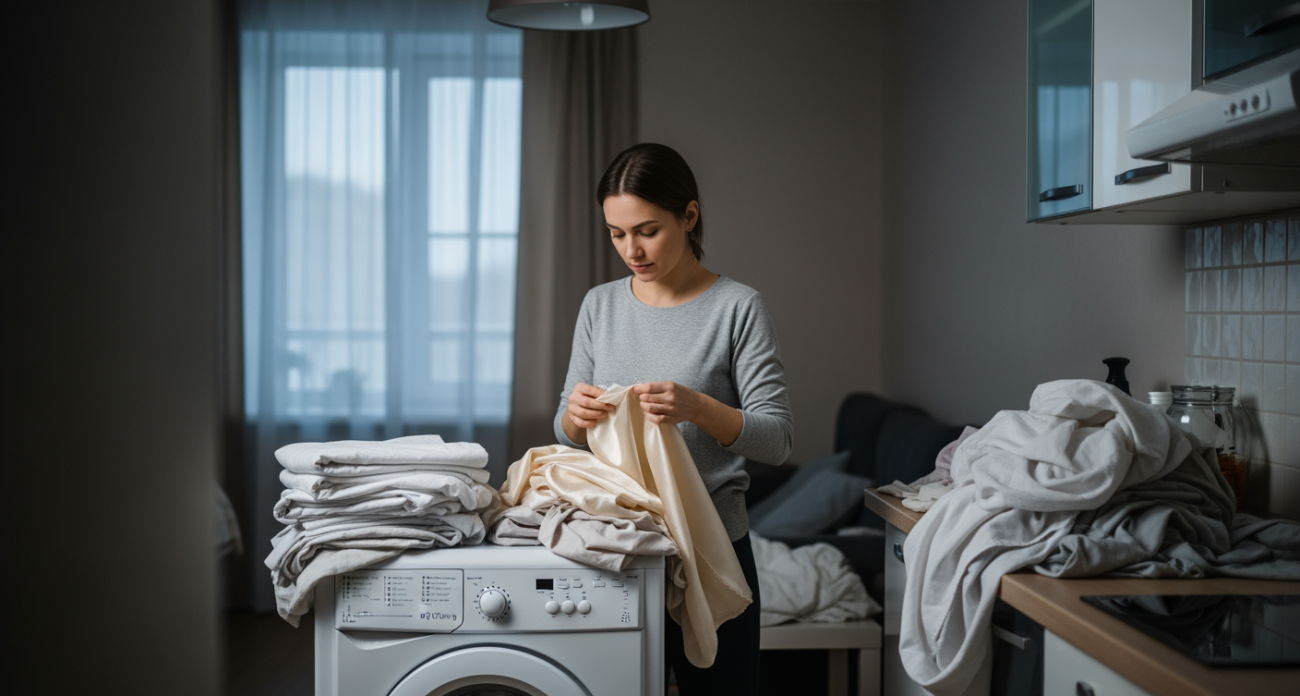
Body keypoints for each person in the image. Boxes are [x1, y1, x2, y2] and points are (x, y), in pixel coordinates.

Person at [554, 142, 794, 695]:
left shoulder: (738, 307)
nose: (631, 249)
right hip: (618, 544)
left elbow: (777, 439)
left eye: (646, 230)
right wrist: (575, 416)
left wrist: (697, 408)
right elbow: (564, 433)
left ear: (689, 216)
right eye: (616, 234)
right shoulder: (600, 306)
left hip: (714, 547)